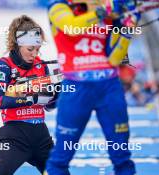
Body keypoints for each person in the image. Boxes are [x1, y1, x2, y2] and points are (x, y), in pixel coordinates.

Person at [45, 0, 140, 175]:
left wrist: (127, 28)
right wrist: (103, 11)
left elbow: (114, 59)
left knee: (122, 156)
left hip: (110, 88)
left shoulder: (108, 13)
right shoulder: (59, 6)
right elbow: (71, 27)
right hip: (76, 88)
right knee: (61, 157)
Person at [0, 15, 56, 175]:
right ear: (17, 44)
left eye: (37, 49)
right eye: (30, 49)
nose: (34, 54)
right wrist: (31, 98)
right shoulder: (4, 65)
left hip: (41, 136)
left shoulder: (41, 65)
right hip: (14, 136)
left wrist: (57, 96)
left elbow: (49, 106)